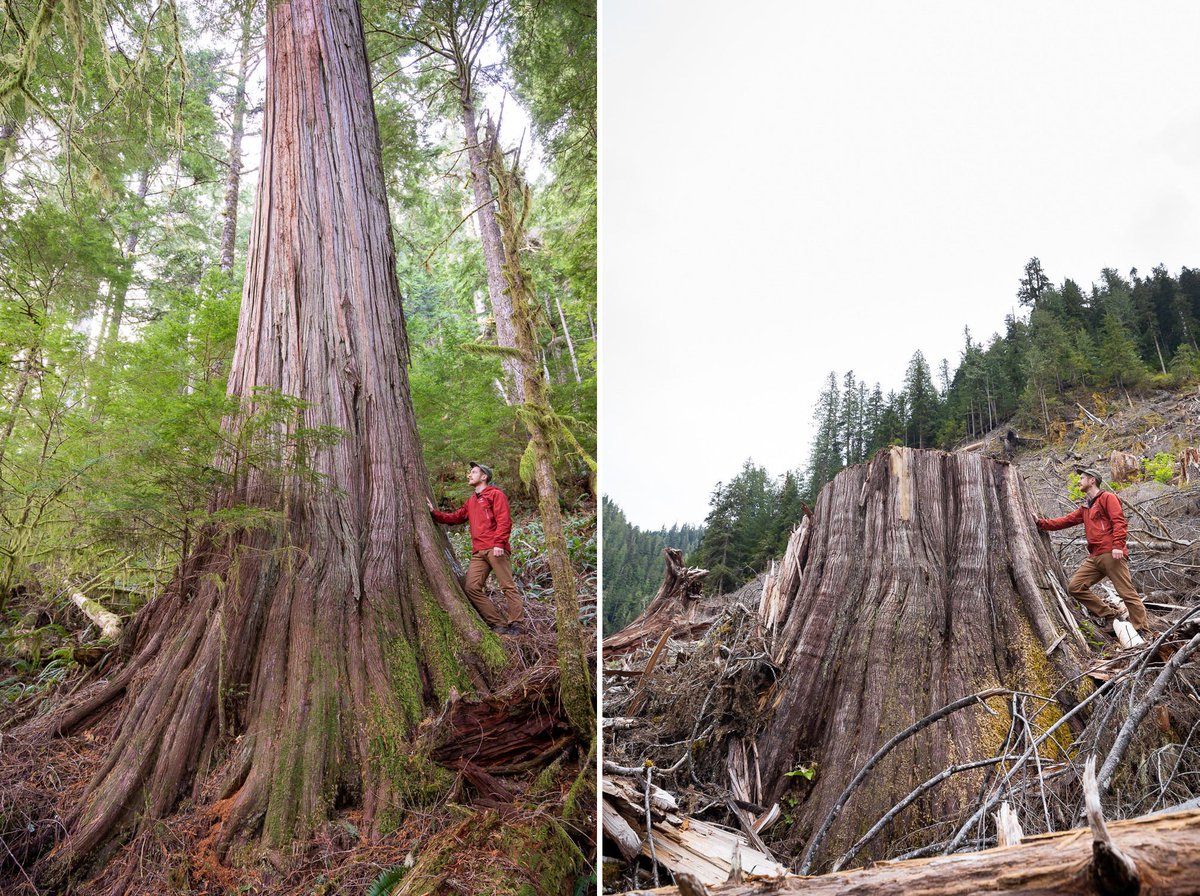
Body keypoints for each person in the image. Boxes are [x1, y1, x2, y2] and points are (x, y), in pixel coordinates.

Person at [1036, 467, 1151, 636]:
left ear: (1092, 481)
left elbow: (1119, 522)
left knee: (1126, 592)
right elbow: (1066, 521)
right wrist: (1041, 523)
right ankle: (1111, 615)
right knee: (1075, 587)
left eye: (1082, 478)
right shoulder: (1085, 507)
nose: (1078, 481)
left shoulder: (1107, 498)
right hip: (1095, 556)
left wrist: (1118, 545)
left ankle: (1142, 630)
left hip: (1111, 554)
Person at [428, 461, 523, 633]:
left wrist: (499, 543)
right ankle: (498, 623)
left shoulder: (496, 494)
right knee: (471, 588)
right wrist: (434, 513)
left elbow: (504, 520)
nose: (469, 475)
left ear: (484, 476)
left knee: (507, 586)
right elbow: (455, 517)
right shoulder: (471, 501)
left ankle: (517, 624)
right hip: (479, 551)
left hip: (496, 548)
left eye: (473, 472)